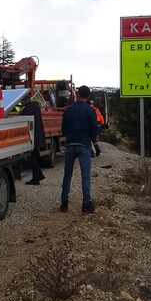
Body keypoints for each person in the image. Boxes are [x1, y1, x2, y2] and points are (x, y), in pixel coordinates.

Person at [60, 85, 100, 214]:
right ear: (88, 97)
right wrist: (95, 144)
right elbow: (94, 130)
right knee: (85, 176)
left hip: (70, 145)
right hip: (84, 146)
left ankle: (64, 202)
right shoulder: (90, 111)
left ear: (77, 94)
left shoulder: (68, 110)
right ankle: (86, 204)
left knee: (68, 174)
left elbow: (63, 130)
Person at [23, 96, 46, 185]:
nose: (22, 103)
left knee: (32, 158)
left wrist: (22, 112)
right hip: (37, 136)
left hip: (34, 136)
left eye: (23, 100)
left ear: (27, 99)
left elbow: (25, 118)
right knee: (34, 157)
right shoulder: (34, 107)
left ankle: (36, 178)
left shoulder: (29, 108)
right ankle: (39, 175)